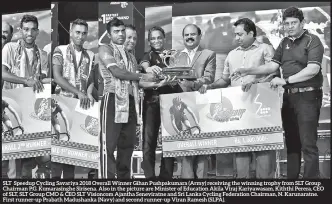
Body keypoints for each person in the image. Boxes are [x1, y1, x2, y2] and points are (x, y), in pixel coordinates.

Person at [231, 7, 324, 179]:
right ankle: (291, 182)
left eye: (293, 23)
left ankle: (311, 185)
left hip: (308, 96)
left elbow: (313, 69)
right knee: (292, 143)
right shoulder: (284, 43)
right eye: (286, 23)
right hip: (289, 98)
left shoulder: (313, 40)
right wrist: (248, 70)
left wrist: (286, 81)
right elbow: (272, 66)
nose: (289, 26)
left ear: (302, 23)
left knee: (308, 144)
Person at [200, 18, 277, 178]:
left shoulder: (265, 49)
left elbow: (274, 73)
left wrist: (255, 81)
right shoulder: (231, 55)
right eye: (236, 35)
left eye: (240, 34)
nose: (237, 38)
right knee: (241, 155)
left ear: (251, 33)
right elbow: (225, 80)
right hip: (239, 110)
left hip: (261, 108)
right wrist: (211, 86)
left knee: (263, 154)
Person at [98, 18, 156, 179]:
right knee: (107, 146)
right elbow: (117, 73)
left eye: (123, 30)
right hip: (111, 100)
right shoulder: (105, 49)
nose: (121, 34)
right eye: (116, 31)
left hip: (131, 102)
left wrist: (160, 81)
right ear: (109, 34)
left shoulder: (130, 57)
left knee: (127, 147)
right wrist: (143, 75)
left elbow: (139, 82)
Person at [2, 15, 49, 179]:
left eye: (33, 29)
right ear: (21, 30)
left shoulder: (43, 55)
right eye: (26, 29)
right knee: (15, 154)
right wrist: (25, 81)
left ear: (37, 31)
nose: (29, 33)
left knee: (37, 154)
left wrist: (44, 80)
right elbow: (3, 73)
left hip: (32, 106)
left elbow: (43, 81)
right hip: (13, 103)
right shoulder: (10, 48)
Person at [52, 18, 96, 179]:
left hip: (80, 106)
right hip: (61, 103)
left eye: (84, 33)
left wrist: (89, 92)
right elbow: (57, 77)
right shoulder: (60, 50)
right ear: (71, 32)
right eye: (77, 32)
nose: (81, 36)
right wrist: (78, 92)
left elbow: (91, 79)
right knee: (58, 150)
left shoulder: (91, 55)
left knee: (72, 154)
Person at [139, 26, 182, 179]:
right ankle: (149, 177)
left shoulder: (172, 56)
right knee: (148, 142)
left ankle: (166, 177)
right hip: (152, 102)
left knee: (169, 141)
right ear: (149, 41)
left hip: (170, 102)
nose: (156, 40)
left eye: (159, 37)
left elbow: (180, 73)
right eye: (153, 38)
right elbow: (145, 65)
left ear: (164, 39)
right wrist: (149, 67)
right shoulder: (148, 55)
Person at [178, 24, 216, 179]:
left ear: (200, 36)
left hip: (201, 104)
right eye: (186, 35)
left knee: (201, 148)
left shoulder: (208, 54)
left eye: (193, 34)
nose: (189, 37)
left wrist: (191, 84)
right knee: (185, 148)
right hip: (181, 105)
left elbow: (209, 77)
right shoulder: (175, 56)